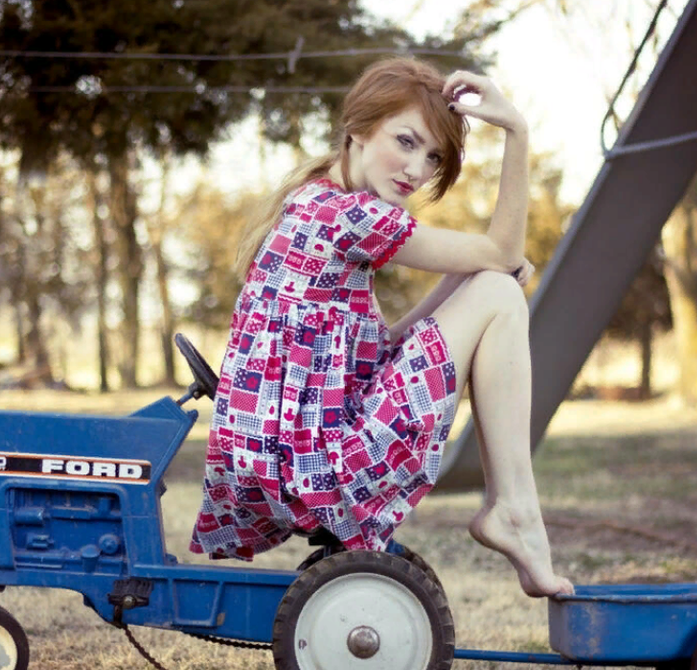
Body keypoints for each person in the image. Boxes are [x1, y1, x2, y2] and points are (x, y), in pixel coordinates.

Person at [190, 57, 573, 598]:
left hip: (290, 464)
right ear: (359, 129)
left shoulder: (314, 203)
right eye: (406, 141)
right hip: (318, 470)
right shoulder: (350, 217)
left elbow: (382, 351)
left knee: (490, 285)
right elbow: (505, 250)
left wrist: (466, 279)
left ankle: (511, 507)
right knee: (500, 289)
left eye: (433, 156)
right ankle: (512, 508)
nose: (416, 169)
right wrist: (516, 129)